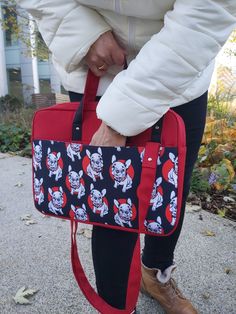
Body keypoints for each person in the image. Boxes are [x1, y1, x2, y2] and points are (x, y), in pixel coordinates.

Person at [17, 1, 236, 313]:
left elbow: (210, 8)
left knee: (170, 191)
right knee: (109, 205)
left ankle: (155, 274)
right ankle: (116, 308)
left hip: (181, 66)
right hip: (97, 67)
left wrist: (121, 119)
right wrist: (80, 32)